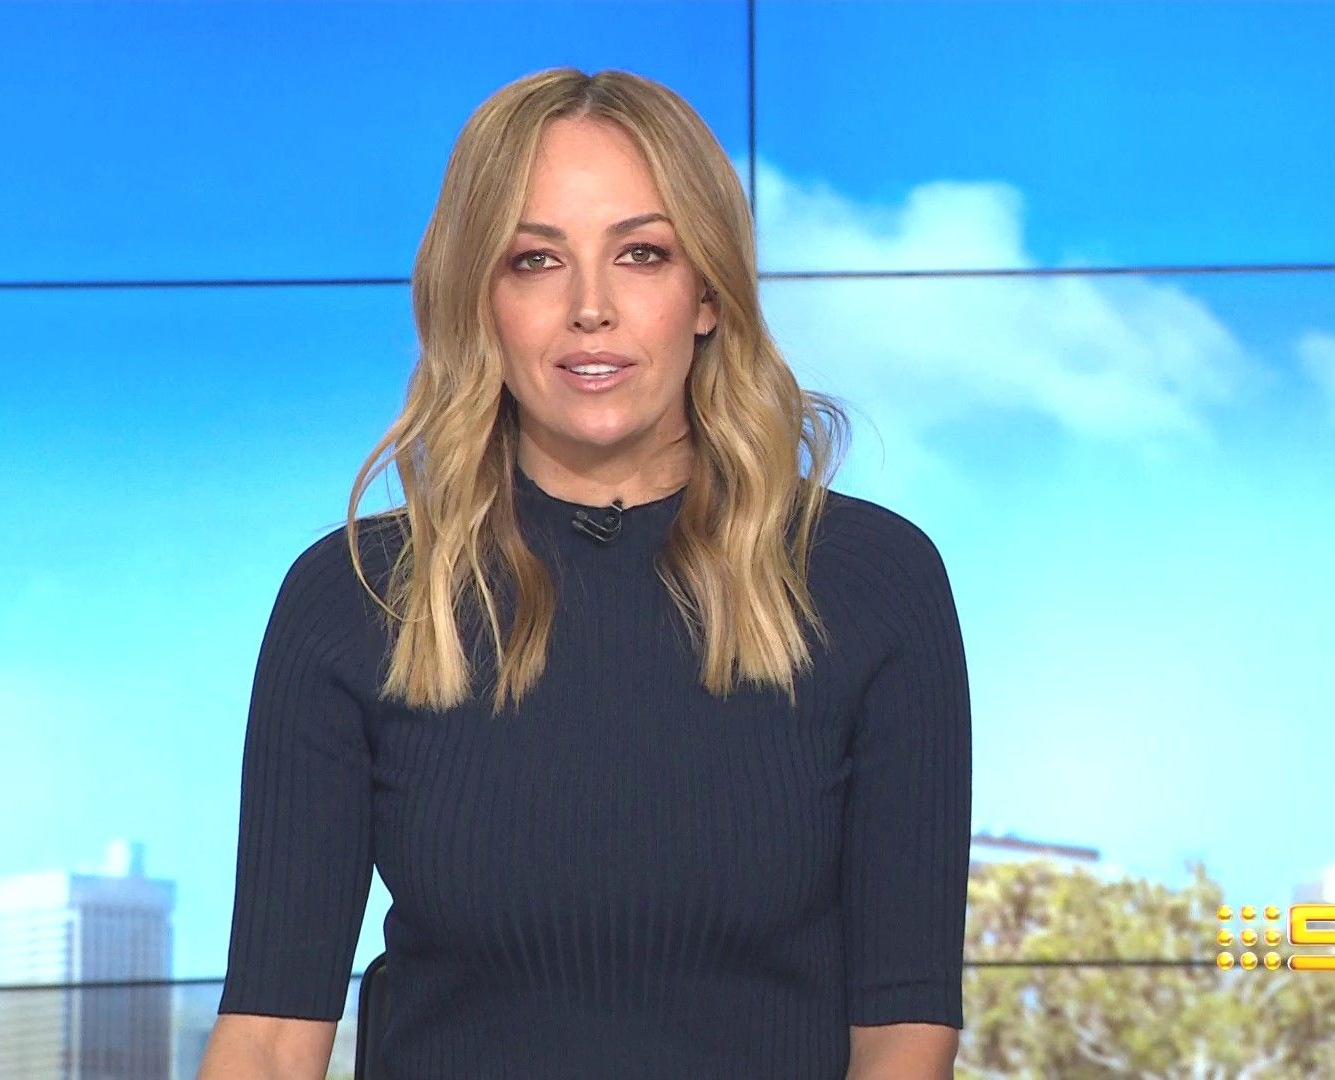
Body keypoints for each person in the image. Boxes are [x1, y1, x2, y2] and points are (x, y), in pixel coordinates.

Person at [199, 66, 971, 1080]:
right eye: (535, 261)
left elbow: (906, 1031)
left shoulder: (873, 581)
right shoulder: (355, 595)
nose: (590, 309)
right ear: (480, 302)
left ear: (707, 294)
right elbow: (266, 1040)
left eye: (642, 254)